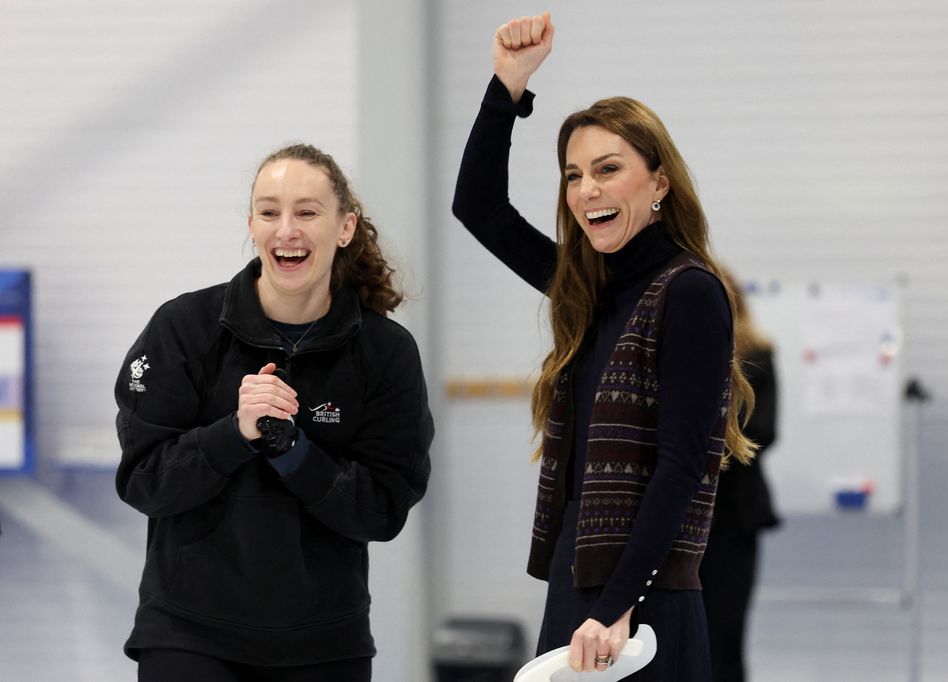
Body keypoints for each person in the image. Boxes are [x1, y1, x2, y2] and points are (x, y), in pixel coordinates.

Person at [452, 13, 757, 680]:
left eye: (608, 168)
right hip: (579, 579)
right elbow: (476, 205)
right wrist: (509, 85)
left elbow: (679, 466)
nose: (587, 189)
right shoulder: (585, 289)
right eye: (573, 174)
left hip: (639, 598)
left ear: (659, 184)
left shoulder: (690, 292)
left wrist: (621, 605)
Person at [114, 143, 433, 682]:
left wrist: (294, 452)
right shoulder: (183, 328)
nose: (287, 229)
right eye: (269, 212)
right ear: (252, 224)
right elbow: (145, 481)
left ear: (345, 227)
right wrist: (234, 434)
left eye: (307, 212)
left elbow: (381, 510)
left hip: (324, 642)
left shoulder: (384, 352)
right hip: (189, 635)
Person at [699, 269, 780, 682]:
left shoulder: (759, 356)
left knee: (726, 631)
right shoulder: (678, 353)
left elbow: (764, 432)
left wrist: (705, 434)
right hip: (685, 511)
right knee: (681, 631)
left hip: (734, 512)